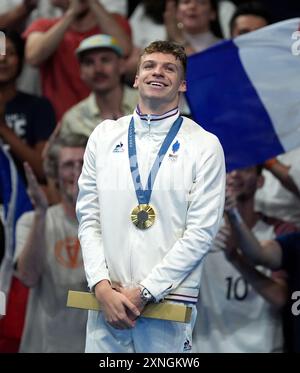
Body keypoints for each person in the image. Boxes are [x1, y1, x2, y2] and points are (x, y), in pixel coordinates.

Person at [76, 40, 226, 353]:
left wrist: (145, 291)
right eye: (149, 66)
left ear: (182, 84)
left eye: (169, 68)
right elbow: (88, 219)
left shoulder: (204, 145)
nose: (158, 72)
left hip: (167, 309)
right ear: (135, 78)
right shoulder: (104, 136)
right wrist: (100, 285)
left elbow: (201, 233)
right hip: (107, 304)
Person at [193, 166, 297, 353]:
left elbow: (281, 297)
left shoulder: (281, 230)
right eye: (229, 169)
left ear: (260, 181)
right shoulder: (197, 232)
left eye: (245, 168)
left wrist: (235, 257)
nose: (234, 174)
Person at [14, 134, 89, 352]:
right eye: (68, 165)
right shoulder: (32, 222)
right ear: (55, 173)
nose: (76, 172)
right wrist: (40, 212)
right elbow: (28, 276)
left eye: (83, 163)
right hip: (43, 345)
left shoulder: (111, 225)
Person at [23, 0, 132, 120]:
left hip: (109, 119)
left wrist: (92, 2)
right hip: (61, 121)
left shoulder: (114, 21)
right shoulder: (44, 25)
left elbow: (125, 50)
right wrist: (71, 13)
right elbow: (33, 57)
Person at [59, 34, 138, 138]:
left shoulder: (149, 103)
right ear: (81, 72)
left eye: (105, 60)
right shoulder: (73, 119)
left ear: (121, 65)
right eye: (89, 62)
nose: (98, 69)